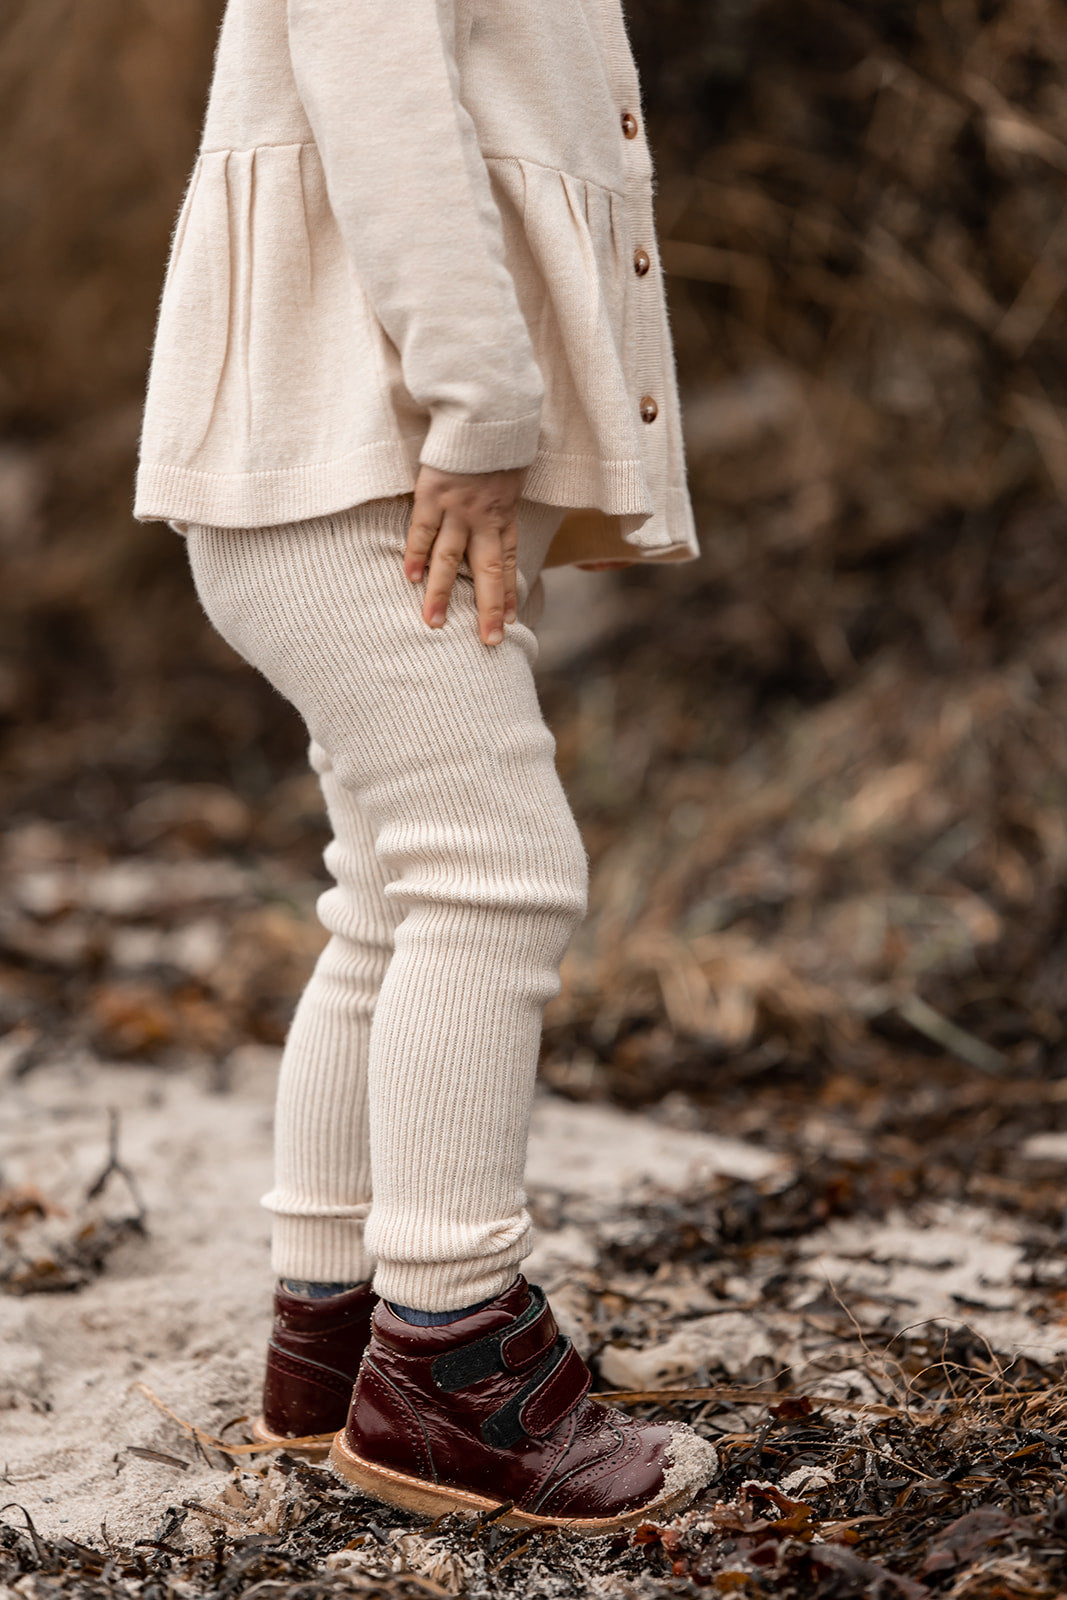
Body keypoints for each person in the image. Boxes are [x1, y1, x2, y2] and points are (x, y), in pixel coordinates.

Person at [134, 0, 715, 1531]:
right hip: (365, 453)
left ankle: (331, 1345)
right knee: (498, 878)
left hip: (348, 446)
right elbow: (384, 105)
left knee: (393, 895)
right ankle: (453, 1361)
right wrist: (482, 405)